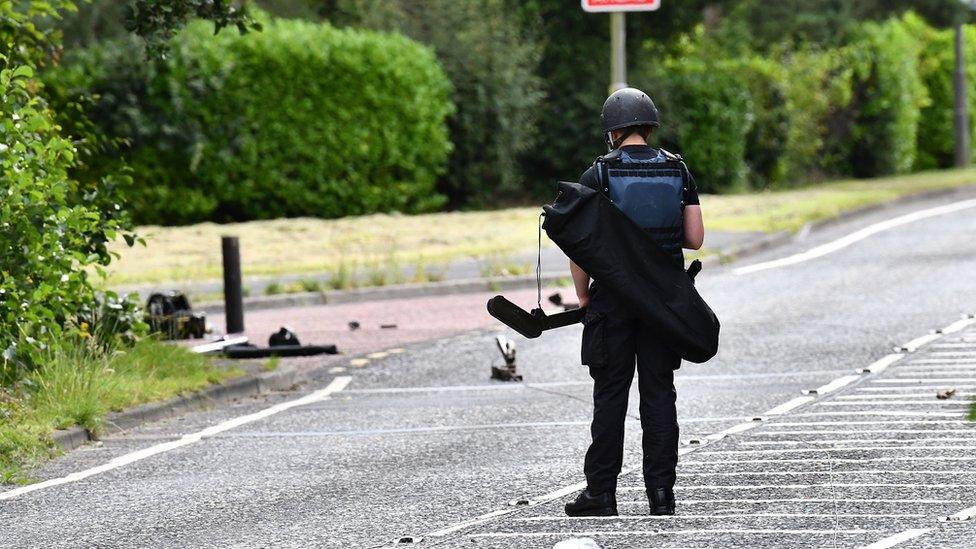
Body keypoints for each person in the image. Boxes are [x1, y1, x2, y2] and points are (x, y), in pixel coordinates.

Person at [564, 87, 704, 517]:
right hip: (663, 304)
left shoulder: (598, 176)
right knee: (659, 395)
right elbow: (694, 239)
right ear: (648, 126)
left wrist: (585, 296)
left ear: (615, 131)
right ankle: (661, 494)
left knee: (611, 397)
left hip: (613, 303)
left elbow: (580, 248)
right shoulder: (678, 171)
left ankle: (601, 495)